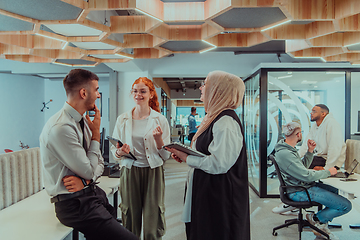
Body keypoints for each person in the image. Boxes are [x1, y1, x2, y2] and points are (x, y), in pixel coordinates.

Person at [39, 69, 137, 240]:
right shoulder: (61, 128)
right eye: (97, 90)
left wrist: (86, 181)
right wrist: (96, 135)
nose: (98, 95)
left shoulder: (82, 120)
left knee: (112, 215)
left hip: (90, 193)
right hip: (73, 204)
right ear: (84, 93)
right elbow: (90, 169)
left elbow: (98, 163)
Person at [166, 71, 250, 240]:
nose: (201, 87)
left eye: (205, 84)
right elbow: (206, 153)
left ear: (219, 90)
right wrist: (185, 155)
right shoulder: (213, 117)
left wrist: (187, 158)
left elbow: (219, 164)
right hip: (208, 190)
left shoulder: (225, 121)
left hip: (220, 196)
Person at [111, 77, 170, 240]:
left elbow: (166, 156)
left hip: (153, 173)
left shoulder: (160, 120)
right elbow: (114, 152)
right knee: (129, 217)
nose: (138, 94)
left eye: (143, 91)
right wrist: (121, 152)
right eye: (135, 91)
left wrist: (158, 140)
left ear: (151, 94)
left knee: (153, 218)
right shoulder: (122, 119)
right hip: (130, 172)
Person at [275, 122, 351, 240]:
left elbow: (302, 168)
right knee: (346, 205)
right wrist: (328, 172)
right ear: (298, 134)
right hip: (298, 191)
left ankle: (321, 224)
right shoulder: (286, 154)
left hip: (301, 185)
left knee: (333, 190)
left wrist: (310, 151)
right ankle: (316, 219)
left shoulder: (288, 149)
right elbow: (306, 175)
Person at [299, 104, 346, 170]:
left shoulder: (332, 124)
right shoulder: (315, 126)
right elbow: (306, 144)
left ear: (323, 114)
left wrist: (327, 169)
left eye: (314, 111)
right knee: (299, 163)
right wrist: (296, 157)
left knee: (302, 166)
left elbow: (334, 148)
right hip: (320, 157)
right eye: (311, 111)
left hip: (331, 162)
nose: (311, 113)